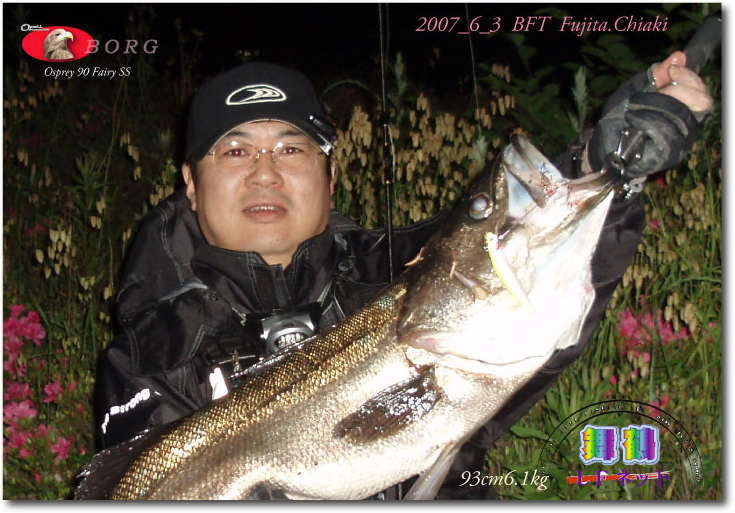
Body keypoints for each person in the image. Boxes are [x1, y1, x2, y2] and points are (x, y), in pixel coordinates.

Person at [94, 54, 712, 499]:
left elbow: (527, 262)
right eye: (234, 150)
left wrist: (609, 161)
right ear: (190, 185)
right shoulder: (150, 352)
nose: (265, 172)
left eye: (291, 147)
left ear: (330, 176)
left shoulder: (400, 270)